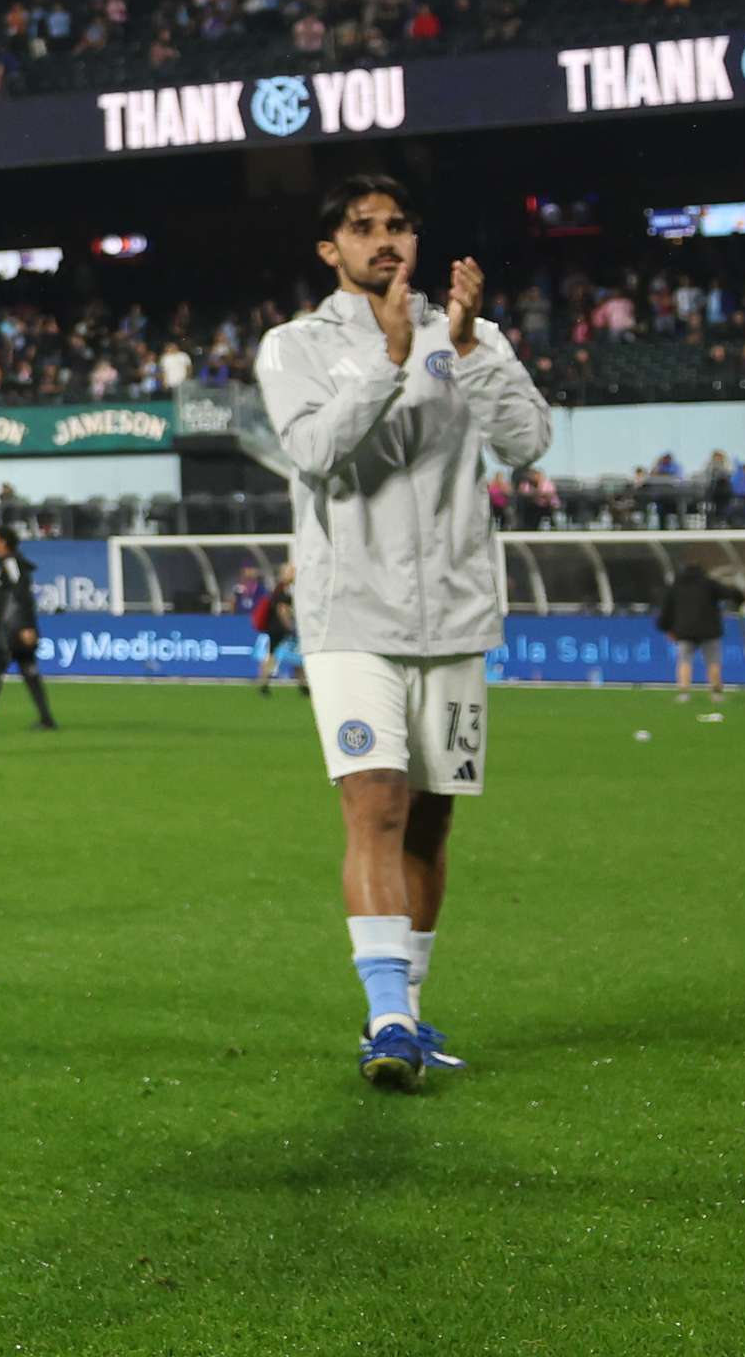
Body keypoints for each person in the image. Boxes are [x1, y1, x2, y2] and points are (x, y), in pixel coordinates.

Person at [257, 172, 549, 1090]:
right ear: (329, 249)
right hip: (352, 619)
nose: (385, 240)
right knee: (375, 803)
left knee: (429, 824)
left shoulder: (470, 335)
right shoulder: (295, 347)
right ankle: (385, 1014)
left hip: (457, 617)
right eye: (364, 227)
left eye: (400, 225)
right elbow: (311, 451)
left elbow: (529, 441)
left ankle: (410, 1014)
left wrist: (464, 348)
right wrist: (386, 362)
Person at [0, 528, 57, 731]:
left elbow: (21, 593)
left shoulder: (10, 564)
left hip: (10, 630)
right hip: (13, 628)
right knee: (29, 673)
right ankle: (46, 718)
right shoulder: (6, 566)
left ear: (3, 542)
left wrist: (26, 626)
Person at [657, 553, 743, 701]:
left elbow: (667, 610)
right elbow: (729, 593)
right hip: (709, 630)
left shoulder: (676, 586)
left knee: (684, 660)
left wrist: (667, 628)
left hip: (684, 630)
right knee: (713, 661)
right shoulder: (708, 583)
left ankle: (684, 692)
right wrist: (741, 598)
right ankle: (716, 693)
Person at [254, 561, 306, 697]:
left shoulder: (280, 588)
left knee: (293, 657)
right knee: (278, 657)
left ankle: (303, 686)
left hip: (276, 628)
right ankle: (263, 685)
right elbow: (282, 610)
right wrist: (290, 627)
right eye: (291, 571)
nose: (294, 574)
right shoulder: (282, 589)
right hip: (280, 629)